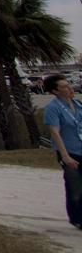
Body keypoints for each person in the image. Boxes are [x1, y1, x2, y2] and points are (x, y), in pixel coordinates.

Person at [43, 74, 82, 230]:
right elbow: (55, 133)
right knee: (75, 186)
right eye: (65, 86)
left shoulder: (78, 105)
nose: (70, 88)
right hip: (70, 152)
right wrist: (65, 156)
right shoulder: (53, 108)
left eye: (69, 85)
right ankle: (77, 218)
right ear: (55, 91)